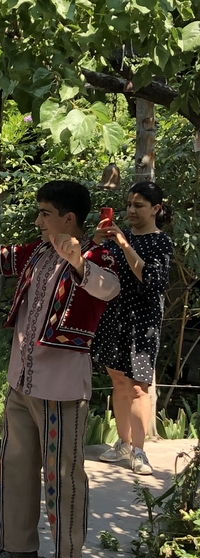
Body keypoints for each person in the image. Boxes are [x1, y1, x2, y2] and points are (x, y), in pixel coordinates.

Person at [0, 181, 120, 558]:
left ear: (68, 218)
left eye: (45, 213)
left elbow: (109, 288)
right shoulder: (37, 251)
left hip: (60, 387)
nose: (38, 220)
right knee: (17, 467)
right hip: (21, 381)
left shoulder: (97, 255)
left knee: (62, 473)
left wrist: (79, 263)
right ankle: (19, 547)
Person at [92, 181, 173, 476]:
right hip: (115, 315)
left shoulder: (160, 242)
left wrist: (125, 245)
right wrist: (99, 243)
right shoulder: (117, 239)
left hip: (143, 322)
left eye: (138, 205)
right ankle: (123, 444)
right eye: (128, 205)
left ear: (156, 209)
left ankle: (140, 451)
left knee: (138, 386)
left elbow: (151, 281)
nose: (131, 210)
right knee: (118, 381)